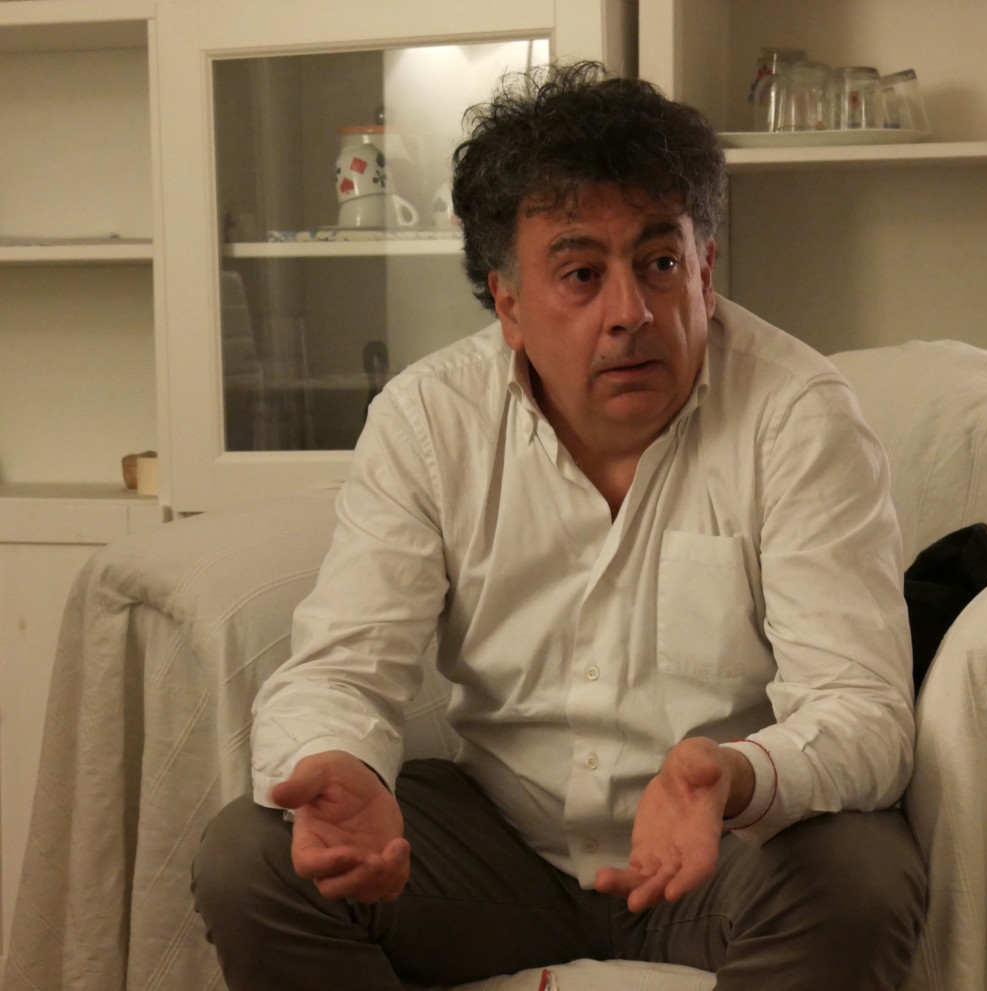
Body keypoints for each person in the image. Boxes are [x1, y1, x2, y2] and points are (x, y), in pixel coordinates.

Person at [193, 61, 926, 990]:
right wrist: (343, 769)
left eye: (661, 264)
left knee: (862, 876)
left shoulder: (798, 416)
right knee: (250, 856)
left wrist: (736, 774)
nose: (631, 312)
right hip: (501, 852)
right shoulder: (429, 420)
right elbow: (342, 666)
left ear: (704, 270)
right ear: (507, 303)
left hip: (725, 852)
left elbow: (864, 709)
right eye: (581, 274)